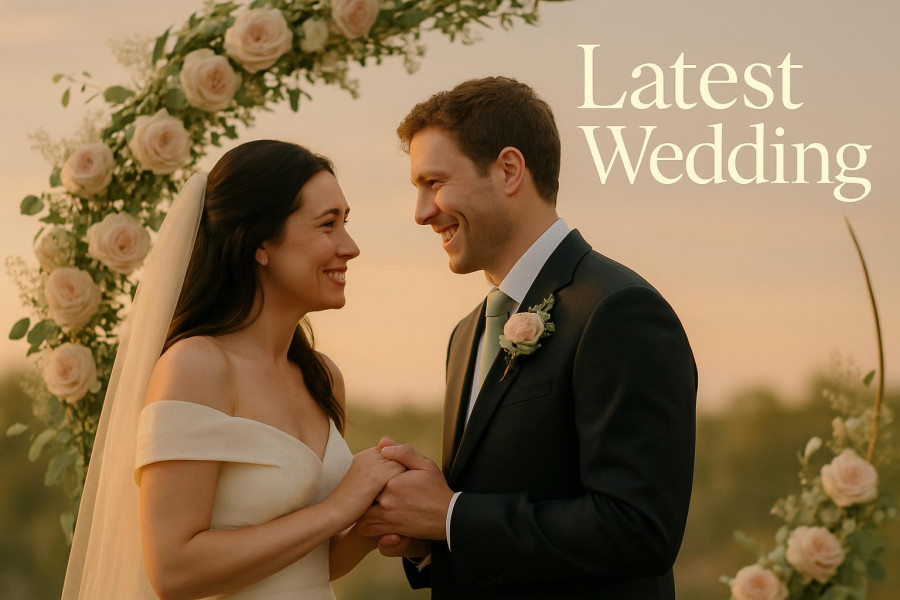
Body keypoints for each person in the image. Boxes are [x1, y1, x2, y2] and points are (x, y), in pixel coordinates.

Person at [357, 77, 698, 599]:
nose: (421, 212)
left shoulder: (618, 310)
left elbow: (638, 530)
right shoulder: (466, 334)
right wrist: (432, 536)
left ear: (509, 170)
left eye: (435, 182)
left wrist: (450, 515)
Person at [62, 140, 404, 600]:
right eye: (328, 224)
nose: (351, 247)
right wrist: (338, 508)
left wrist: (372, 519)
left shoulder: (322, 378)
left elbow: (307, 564)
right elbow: (173, 571)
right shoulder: (196, 366)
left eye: (346, 223)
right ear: (260, 244)